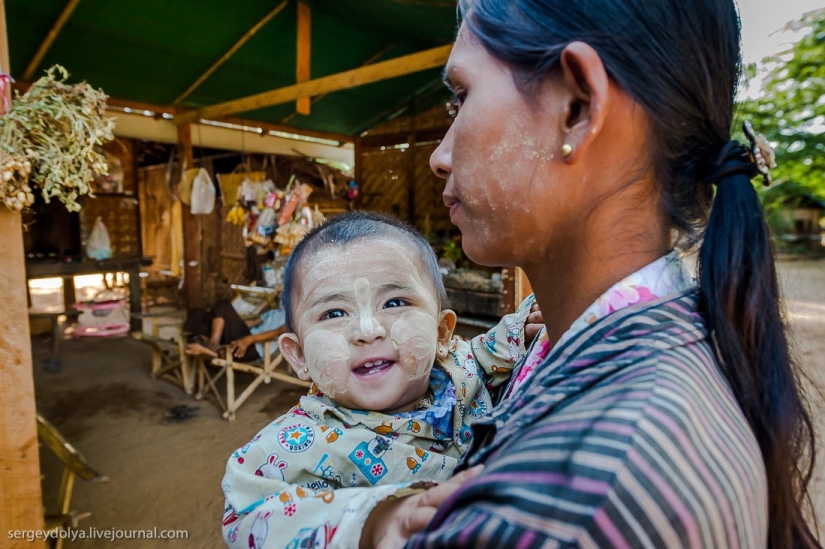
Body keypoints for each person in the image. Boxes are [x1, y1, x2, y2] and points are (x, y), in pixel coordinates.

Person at [358, 1, 821, 548]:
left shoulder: (562, 514)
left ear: (577, 107)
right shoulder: (677, 338)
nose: (440, 154)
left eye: (462, 98)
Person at [220, 212, 538, 548]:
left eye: (395, 302)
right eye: (333, 313)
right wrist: (374, 522)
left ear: (442, 332)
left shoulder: (462, 365)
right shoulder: (293, 445)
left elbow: (496, 344)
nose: (368, 331)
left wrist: (526, 326)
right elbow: (246, 515)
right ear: (299, 356)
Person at [184, 299, 285, 362]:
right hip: (243, 336)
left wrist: (249, 339)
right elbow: (253, 322)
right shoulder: (276, 312)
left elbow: (280, 332)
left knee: (223, 304)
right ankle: (214, 348)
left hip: (252, 347)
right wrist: (228, 320)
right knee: (197, 313)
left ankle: (212, 345)